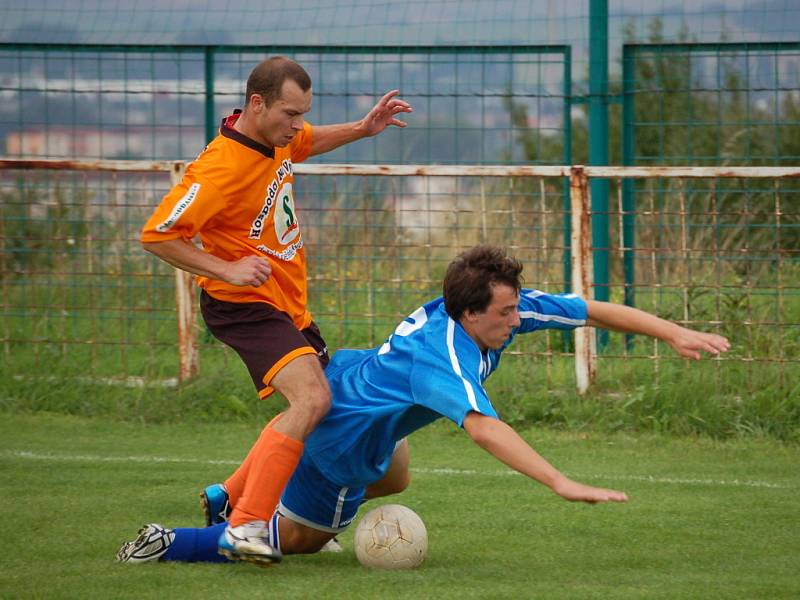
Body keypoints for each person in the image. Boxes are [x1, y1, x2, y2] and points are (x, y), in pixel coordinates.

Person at [117, 245, 731, 565]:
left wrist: (674, 331)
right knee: (290, 546)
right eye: (505, 314)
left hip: (359, 389)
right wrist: (559, 481)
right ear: (468, 314)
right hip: (344, 440)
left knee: (400, 471)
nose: (517, 320)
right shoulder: (445, 357)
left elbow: (589, 309)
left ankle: (232, 490)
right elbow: (485, 429)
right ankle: (173, 541)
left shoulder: (492, 307)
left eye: (517, 308)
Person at [139, 56, 413, 563]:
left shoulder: (276, 139)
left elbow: (309, 143)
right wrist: (225, 269)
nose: (298, 124)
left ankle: (227, 497)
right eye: (291, 113)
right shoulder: (220, 169)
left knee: (321, 403)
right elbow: (157, 235)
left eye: (303, 113)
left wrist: (363, 128)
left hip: (287, 308)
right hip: (243, 305)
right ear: (257, 103)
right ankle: (243, 528)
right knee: (312, 401)